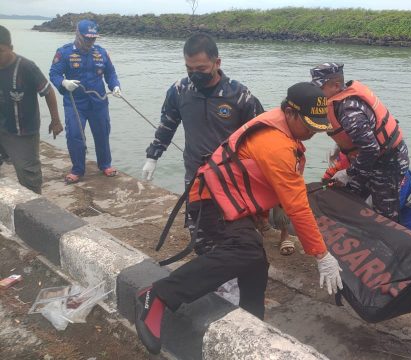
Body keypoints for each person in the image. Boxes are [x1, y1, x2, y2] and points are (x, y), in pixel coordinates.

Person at [134, 82, 342, 355]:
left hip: (229, 199)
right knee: (244, 250)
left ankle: (252, 324)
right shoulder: (276, 144)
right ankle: (158, 295)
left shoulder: (279, 126)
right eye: (309, 125)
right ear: (290, 113)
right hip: (210, 201)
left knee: (256, 264)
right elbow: (297, 207)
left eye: (318, 126)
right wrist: (321, 255)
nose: (313, 133)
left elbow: (253, 177)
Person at [142, 33, 263, 186]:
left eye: (201, 68)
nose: (195, 74)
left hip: (232, 176)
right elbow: (167, 125)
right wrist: (152, 157)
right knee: (194, 209)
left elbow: (260, 134)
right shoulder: (180, 90)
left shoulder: (239, 94)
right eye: (189, 69)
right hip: (195, 175)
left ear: (217, 63)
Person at [310, 63, 409, 222]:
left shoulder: (349, 110)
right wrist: (340, 147)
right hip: (368, 158)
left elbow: (370, 149)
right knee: (350, 194)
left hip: (388, 161)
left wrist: (348, 173)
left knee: (385, 213)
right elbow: (362, 134)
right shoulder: (341, 101)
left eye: (320, 88)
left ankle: (385, 241)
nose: (317, 92)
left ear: (336, 86)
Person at [49, 19, 120, 184]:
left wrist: (115, 86)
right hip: (75, 102)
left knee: (102, 133)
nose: (90, 41)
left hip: (99, 101)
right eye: (87, 38)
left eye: (93, 38)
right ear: (78, 34)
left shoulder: (101, 53)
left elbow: (111, 73)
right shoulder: (64, 52)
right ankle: (77, 169)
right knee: (75, 134)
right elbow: (54, 73)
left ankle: (105, 164)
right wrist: (63, 83)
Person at [0, 25, 63, 194]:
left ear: (11, 49)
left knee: (29, 175)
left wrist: (55, 120)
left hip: (23, 130)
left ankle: (34, 207)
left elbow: (48, 92)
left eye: (1, 51)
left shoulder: (27, 67)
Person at [322, 147, 411, 231]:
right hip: (364, 191)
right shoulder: (341, 160)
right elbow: (326, 184)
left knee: (404, 235)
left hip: (407, 202)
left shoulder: (392, 176)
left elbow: (388, 212)